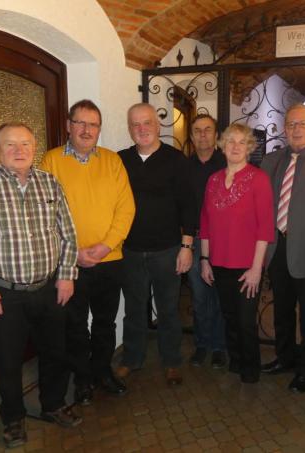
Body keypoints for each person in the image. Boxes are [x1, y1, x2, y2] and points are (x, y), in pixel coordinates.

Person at [0, 122, 82, 448]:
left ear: (34, 147)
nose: (19, 150)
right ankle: (13, 419)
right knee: (7, 360)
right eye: (10, 145)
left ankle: (53, 404)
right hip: (4, 294)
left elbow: (68, 234)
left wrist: (66, 275)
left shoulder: (50, 184)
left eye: (25, 144)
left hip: (49, 288)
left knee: (54, 352)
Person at [40, 100, 135, 405]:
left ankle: (102, 372)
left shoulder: (112, 161)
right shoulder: (50, 162)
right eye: (80, 123)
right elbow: (43, 214)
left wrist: (106, 244)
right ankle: (82, 379)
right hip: (70, 265)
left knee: (106, 323)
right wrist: (72, 251)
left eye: (93, 124)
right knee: (76, 326)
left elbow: (126, 208)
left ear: (99, 129)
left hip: (110, 260)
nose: (86, 130)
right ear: (69, 126)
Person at [116, 103, 197, 386]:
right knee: (134, 309)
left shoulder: (177, 160)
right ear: (130, 129)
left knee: (168, 309)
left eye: (147, 123)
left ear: (158, 126)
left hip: (167, 250)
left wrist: (187, 247)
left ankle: (172, 361)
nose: (142, 129)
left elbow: (189, 206)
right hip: (130, 251)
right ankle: (132, 359)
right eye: (135, 124)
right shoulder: (120, 160)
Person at [260, 104, 305, 393]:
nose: (296, 129)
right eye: (291, 124)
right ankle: (285, 357)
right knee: (282, 311)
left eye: (302, 124)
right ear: (284, 129)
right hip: (277, 247)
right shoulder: (271, 161)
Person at [198, 123, 274, 383]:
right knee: (229, 317)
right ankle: (236, 362)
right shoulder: (213, 180)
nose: (236, 147)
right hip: (218, 261)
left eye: (242, 142)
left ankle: (250, 369)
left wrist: (256, 269)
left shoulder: (258, 178)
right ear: (223, 145)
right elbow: (205, 222)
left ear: (249, 147)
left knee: (244, 320)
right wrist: (205, 259)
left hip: (246, 265)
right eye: (231, 141)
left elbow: (265, 228)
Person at [186, 114, 228, 369]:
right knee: (200, 296)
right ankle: (202, 344)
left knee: (220, 296)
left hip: (223, 240)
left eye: (208, 130)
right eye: (197, 131)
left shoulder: (227, 164)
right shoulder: (184, 167)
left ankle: (220, 346)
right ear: (191, 137)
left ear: (216, 135)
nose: (202, 135)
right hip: (195, 238)